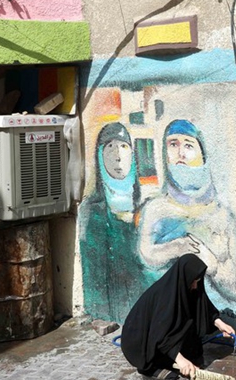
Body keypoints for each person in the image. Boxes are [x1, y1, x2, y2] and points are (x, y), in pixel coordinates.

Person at [137, 120, 236, 303]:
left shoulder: (223, 217)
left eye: (189, 145)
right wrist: (176, 247)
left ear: (202, 155)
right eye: (173, 144)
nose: (181, 153)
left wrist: (213, 266)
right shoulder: (155, 210)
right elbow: (146, 255)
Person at [121, 254, 236, 379]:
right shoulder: (165, 297)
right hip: (141, 341)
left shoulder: (187, 288)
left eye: (198, 282)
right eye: (193, 281)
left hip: (160, 336)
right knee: (171, 375)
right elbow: (160, 335)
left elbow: (203, 308)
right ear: (185, 277)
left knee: (193, 350)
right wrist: (180, 360)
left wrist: (220, 324)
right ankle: (152, 369)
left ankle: (175, 359)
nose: (195, 286)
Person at [80, 122, 147, 323]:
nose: (117, 156)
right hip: (115, 307)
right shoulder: (93, 209)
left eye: (123, 147)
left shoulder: (144, 205)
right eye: (110, 147)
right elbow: (94, 274)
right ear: (99, 156)